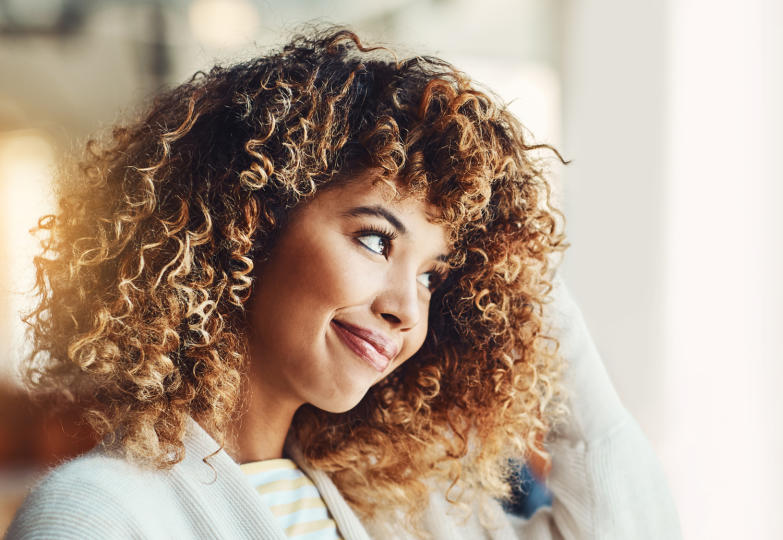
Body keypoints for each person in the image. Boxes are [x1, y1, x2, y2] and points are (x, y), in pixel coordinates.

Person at [4, 28, 680, 539]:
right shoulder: (97, 514)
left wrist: (520, 278)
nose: (404, 310)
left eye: (433, 277)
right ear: (248, 220)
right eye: (376, 240)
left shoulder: (399, 512)